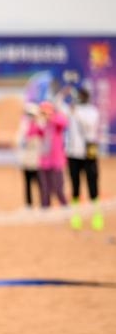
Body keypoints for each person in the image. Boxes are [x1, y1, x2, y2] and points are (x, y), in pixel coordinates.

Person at [64, 86, 102, 230]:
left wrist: (76, 112)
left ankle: (97, 216)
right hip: (73, 154)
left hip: (88, 153)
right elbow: (57, 109)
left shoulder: (92, 111)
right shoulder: (71, 110)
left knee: (93, 184)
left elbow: (89, 126)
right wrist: (63, 93)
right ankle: (76, 216)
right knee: (75, 185)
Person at [28, 101, 68, 208]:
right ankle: (45, 208)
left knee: (58, 188)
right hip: (44, 162)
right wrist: (35, 120)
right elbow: (31, 133)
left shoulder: (56, 124)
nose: (44, 114)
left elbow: (63, 122)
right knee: (45, 189)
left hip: (56, 161)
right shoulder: (42, 126)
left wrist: (50, 116)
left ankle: (65, 207)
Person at [14, 103, 42, 208]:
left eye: (32, 114)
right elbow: (18, 141)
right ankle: (28, 204)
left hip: (36, 159)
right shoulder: (24, 126)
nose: (30, 117)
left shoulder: (40, 125)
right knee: (27, 183)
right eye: (28, 114)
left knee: (39, 182)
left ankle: (42, 202)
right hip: (26, 159)